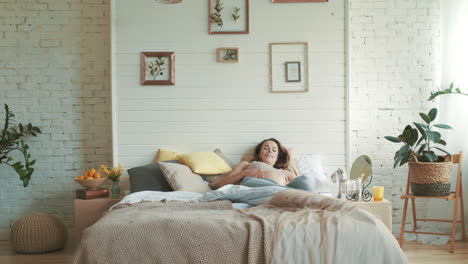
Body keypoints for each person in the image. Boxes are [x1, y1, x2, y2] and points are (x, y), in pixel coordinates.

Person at [209, 138, 298, 189]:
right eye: (266, 148)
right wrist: (243, 174)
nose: (270, 151)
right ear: (259, 153)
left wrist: (289, 156)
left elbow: (303, 186)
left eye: (274, 150)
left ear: (277, 157)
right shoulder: (246, 164)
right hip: (250, 192)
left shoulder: (284, 172)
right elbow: (219, 185)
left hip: (276, 194)